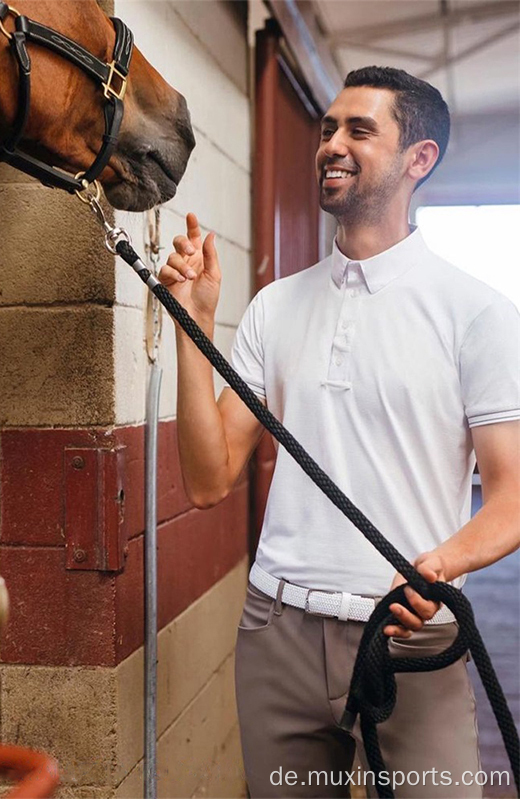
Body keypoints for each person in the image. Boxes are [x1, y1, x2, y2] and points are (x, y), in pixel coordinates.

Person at [160, 66, 520, 799]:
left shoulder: (474, 311)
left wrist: (441, 565)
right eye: (328, 129)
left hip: (409, 637)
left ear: (419, 159)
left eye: (360, 130)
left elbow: (512, 496)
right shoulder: (275, 305)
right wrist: (191, 325)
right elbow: (207, 479)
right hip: (276, 633)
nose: (332, 144)